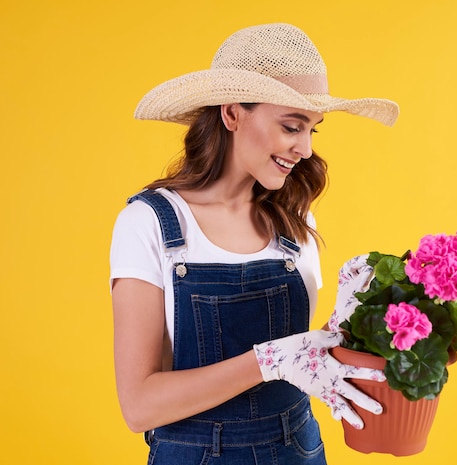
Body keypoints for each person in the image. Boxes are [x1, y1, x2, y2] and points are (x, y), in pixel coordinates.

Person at [110, 23, 399, 464]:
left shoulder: (295, 219)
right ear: (232, 114)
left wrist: (352, 324)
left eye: (313, 130)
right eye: (291, 126)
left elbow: (305, 359)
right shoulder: (149, 224)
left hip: (298, 448)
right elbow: (140, 406)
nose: (304, 148)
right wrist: (266, 360)